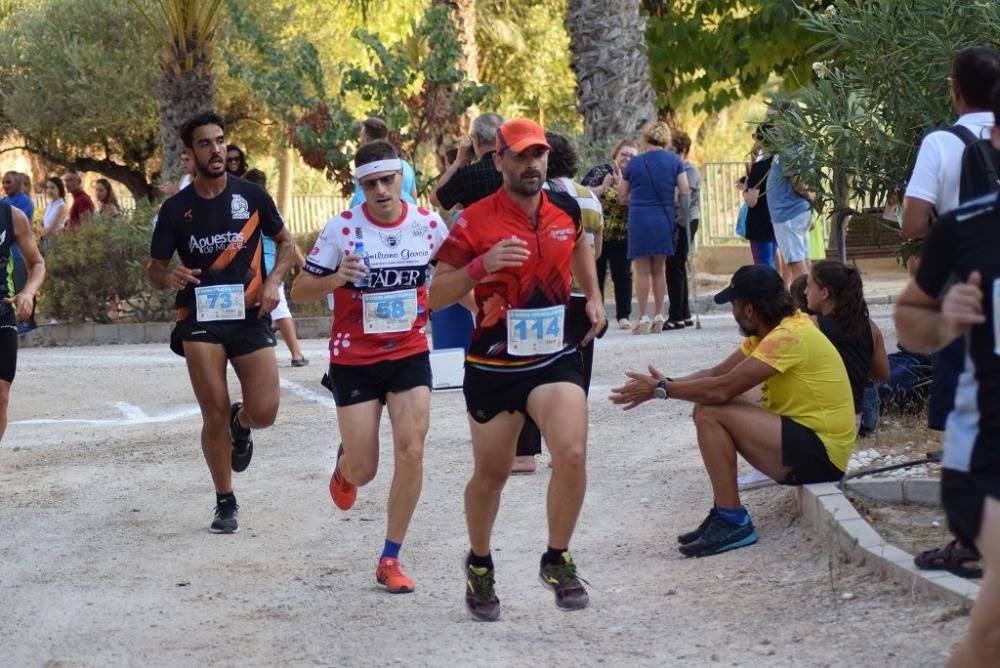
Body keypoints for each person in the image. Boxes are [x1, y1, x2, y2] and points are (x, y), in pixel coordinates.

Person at [428, 118, 605, 620]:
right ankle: (480, 563)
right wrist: (481, 267)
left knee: (570, 452)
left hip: (553, 356)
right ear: (499, 159)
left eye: (539, 154)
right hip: (494, 364)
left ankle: (557, 557)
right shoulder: (475, 220)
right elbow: (437, 294)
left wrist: (592, 298)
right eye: (522, 155)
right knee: (492, 474)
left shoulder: (566, 207)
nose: (532, 164)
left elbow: (578, 246)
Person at [610, 265, 856, 557]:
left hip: (823, 455)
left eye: (734, 304)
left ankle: (732, 520)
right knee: (707, 407)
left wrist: (661, 390)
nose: (733, 312)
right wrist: (662, 384)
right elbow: (716, 373)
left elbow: (722, 389)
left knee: (711, 410)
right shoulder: (777, 329)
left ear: (749, 310)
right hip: (810, 444)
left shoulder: (789, 337)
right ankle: (726, 513)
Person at [291, 140, 447, 594]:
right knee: (365, 471)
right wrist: (337, 278)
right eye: (369, 183)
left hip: (409, 353)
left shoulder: (427, 225)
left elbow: (454, 277)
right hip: (355, 359)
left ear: (402, 178)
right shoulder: (341, 230)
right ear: (360, 186)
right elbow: (300, 290)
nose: (379, 190)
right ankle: (345, 466)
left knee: (413, 448)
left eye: (386, 180)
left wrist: (487, 312)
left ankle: (390, 557)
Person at [146, 111, 295, 534]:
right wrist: (167, 276)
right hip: (199, 317)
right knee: (211, 411)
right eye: (206, 143)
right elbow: (154, 268)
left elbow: (286, 243)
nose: (216, 150)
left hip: (249, 314)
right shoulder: (176, 209)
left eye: (219, 141)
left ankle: (241, 423)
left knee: (264, 412)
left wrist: (274, 283)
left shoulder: (251, 196)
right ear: (190, 154)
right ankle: (225, 500)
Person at [893, 83, 1000, 665]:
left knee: (988, 639)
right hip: (985, 458)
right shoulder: (968, 229)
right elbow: (910, 320)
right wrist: (945, 323)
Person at [513, 131, 606, 474]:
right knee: (576, 376)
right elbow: (594, 252)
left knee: (532, 373)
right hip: (583, 296)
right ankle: (568, 446)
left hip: (547, 295)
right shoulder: (591, 199)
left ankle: (524, 453)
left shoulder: (540, 196)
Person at [617, 121, 690, 334]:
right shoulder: (675, 161)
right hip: (664, 218)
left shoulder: (635, 163)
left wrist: (633, 199)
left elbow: (622, 194)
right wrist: (679, 209)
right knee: (659, 269)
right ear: (666, 141)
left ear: (645, 139)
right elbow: (685, 189)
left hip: (639, 217)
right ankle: (659, 314)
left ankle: (643, 317)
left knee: (641, 270)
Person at [243, 169, 308, 367]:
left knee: (271, 310)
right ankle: (296, 354)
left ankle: (272, 340)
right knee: (280, 311)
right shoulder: (270, 209)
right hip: (270, 267)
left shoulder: (243, 211)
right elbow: (289, 242)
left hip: (254, 269)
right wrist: (304, 265)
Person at [0, 198, 45, 441]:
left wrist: (28, 292)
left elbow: (37, 263)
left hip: (2, 312)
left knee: (1, 394)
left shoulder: (12, 216)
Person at [583, 139, 638, 329]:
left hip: (623, 234)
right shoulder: (600, 171)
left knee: (623, 275)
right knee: (596, 274)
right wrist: (603, 187)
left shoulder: (635, 175)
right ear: (615, 154)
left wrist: (623, 187)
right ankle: (598, 312)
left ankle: (624, 315)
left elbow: (636, 201)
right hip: (599, 234)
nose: (627, 158)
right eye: (624, 154)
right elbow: (583, 193)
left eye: (632, 156)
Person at [764, 105, 816, 286]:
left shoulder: (791, 147)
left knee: (796, 263)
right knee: (803, 260)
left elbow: (797, 179)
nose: (772, 126)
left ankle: (807, 306)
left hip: (789, 214)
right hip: (793, 213)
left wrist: (810, 198)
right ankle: (811, 306)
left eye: (774, 121)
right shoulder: (795, 145)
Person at [430, 112, 505, 210]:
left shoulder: (467, 175)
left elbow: (435, 199)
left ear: (477, 140)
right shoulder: (517, 168)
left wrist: (459, 160)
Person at [666, 130, 701, 330]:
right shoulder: (676, 171)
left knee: (675, 266)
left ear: (683, 152)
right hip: (676, 221)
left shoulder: (690, 171)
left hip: (686, 221)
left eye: (673, 151)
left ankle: (676, 315)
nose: (670, 155)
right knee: (676, 266)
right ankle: (684, 313)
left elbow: (682, 197)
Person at [349, 117, 418, 207]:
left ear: (364, 138)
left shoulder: (365, 168)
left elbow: (359, 200)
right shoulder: (405, 166)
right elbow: (414, 199)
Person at [741, 125, 778, 270]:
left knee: (763, 264)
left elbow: (752, 201)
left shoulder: (759, 167)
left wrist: (744, 190)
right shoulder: (778, 164)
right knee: (771, 260)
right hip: (774, 218)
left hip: (759, 222)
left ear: (759, 139)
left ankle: (767, 292)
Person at [40, 176, 68, 243]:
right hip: (45, 241)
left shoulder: (62, 206)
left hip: (55, 243)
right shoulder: (49, 204)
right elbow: (41, 223)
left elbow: (53, 229)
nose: (49, 190)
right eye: (48, 187)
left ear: (59, 189)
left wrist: (41, 231)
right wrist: (41, 230)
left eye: (52, 188)